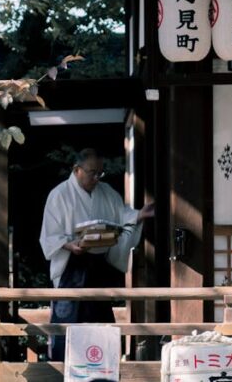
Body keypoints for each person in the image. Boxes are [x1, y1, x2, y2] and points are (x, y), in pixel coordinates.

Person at [39, 148, 155, 361]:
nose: (97, 178)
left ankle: (101, 367)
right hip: (71, 268)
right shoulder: (59, 194)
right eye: (92, 172)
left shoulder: (107, 192)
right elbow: (49, 235)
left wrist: (139, 214)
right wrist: (69, 244)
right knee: (67, 323)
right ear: (77, 170)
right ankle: (61, 370)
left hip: (98, 267)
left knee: (100, 323)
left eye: (100, 173)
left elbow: (122, 215)